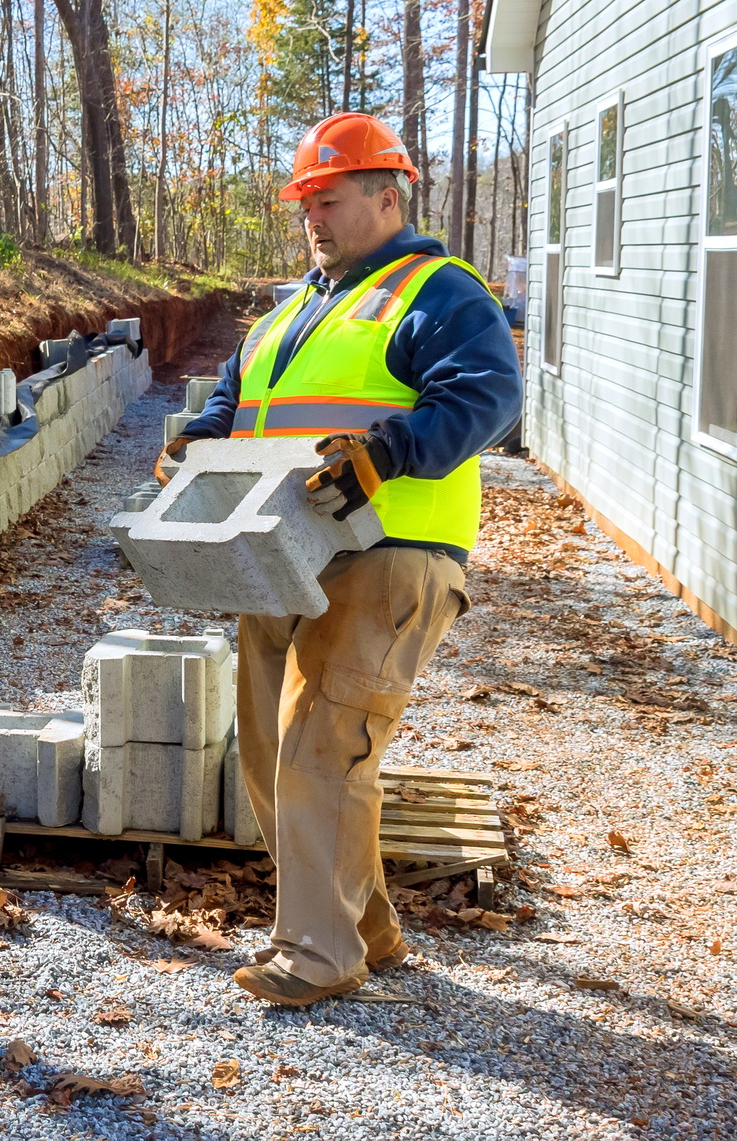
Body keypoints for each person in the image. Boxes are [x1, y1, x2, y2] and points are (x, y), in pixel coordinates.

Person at [158, 112, 523, 1007]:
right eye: (304, 204)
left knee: (325, 745)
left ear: (387, 196)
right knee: (271, 750)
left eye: (330, 199)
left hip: (389, 550)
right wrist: (192, 447)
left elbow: (488, 395)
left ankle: (317, 955)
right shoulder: (290, 311)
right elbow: (233, 407)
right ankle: (364, 929)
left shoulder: (439, 293)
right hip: (281, 553)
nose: (312, 218)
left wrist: (387, 452)